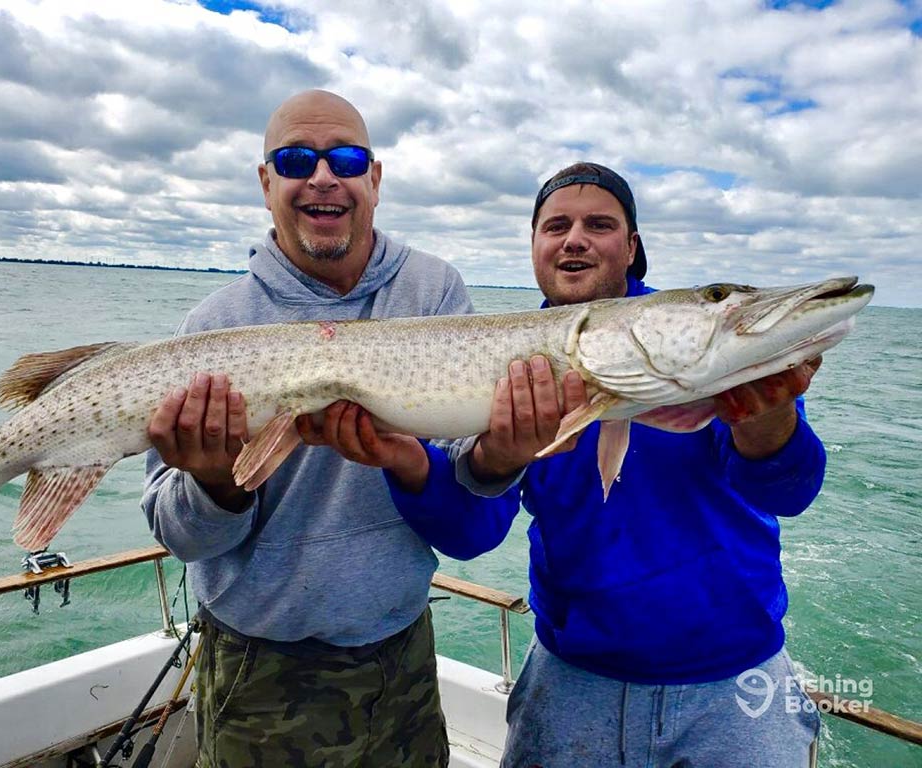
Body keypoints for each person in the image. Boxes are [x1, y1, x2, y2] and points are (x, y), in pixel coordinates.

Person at [316, 163, 825, 766]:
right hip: (571, 676)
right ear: (534, 246)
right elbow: (471, 531)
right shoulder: (509, 367)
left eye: (600, 224)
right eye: (555, 225)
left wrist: (767, 417)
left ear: (632, 247)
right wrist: (410, 461)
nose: (574, 238)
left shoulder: (697, 345)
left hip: (735, 682)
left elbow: (787, 492)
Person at [141, 89, 471, 768]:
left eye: (346, 159)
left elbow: (469, 488)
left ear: (374, 179)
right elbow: (180, 536)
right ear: (267, 185)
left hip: (401, 656)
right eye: (296, 160)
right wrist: (214, 481)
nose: (323, 176)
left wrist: (476, 457)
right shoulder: (213, 324)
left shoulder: (435, 293)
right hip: (256, 670)